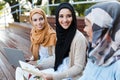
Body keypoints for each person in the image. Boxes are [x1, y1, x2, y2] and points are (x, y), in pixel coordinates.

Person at [35, 2, 88, 80]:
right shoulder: (59, 35)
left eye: (69, 16)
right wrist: (39, 66)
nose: (65, 20)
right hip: (59, 71)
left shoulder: (79, 39)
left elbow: (78, 67)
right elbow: (56, 58)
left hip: (72, 77)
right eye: (61, 16)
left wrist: (54, 77)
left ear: (73, 17)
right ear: (57, 18)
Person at [78, 1, 120, 80]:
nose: (84, 29)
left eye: (87, 25)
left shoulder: (118, 66)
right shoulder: (95, 53)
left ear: (102, 29)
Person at [15, 8, 56, 80]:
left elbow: (56, 58)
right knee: (19, 69)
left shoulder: (52, 35)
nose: (39, 22)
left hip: (50, 68)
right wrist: (30, 61)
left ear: (45, 19)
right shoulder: (34, 33)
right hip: (38, 66)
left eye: (41, 19)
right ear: (32, 21)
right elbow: (36, 54)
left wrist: (38, 63)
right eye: (35, 20)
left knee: (31, 78)